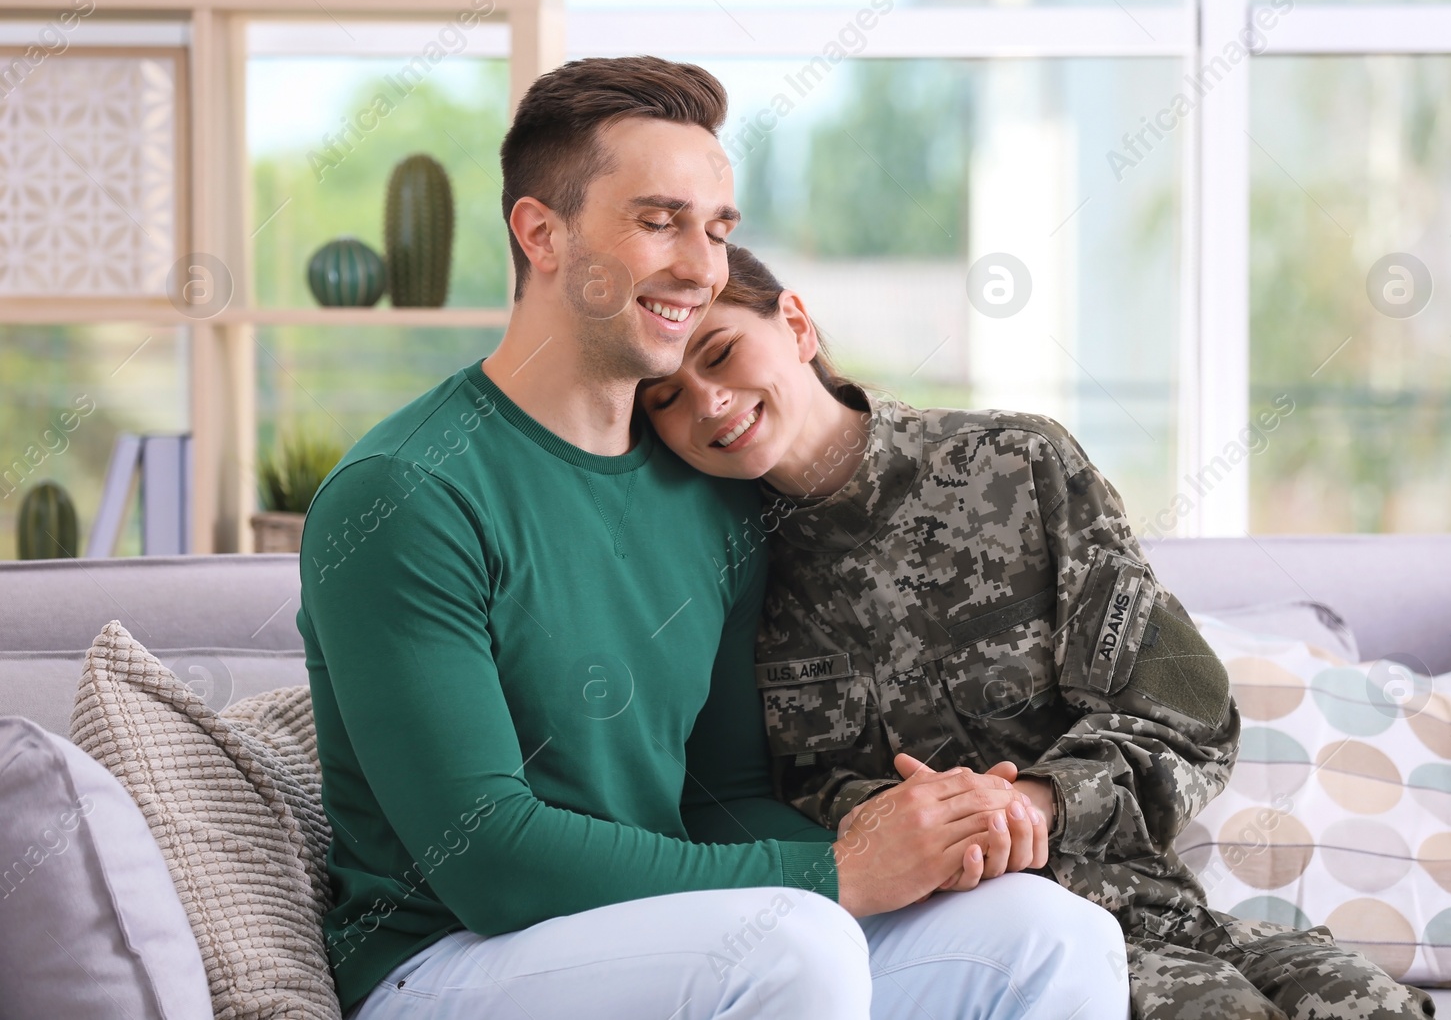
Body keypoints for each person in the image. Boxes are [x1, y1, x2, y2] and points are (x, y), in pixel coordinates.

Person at [299, 56, 1129, 1020]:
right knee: (793, 940)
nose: (702, 266)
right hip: (449, 961)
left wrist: (928, 836)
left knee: (1046, 929)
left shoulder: (707, 492)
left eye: (719, 228)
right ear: (542, 233)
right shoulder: (406, 493)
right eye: (659, 221)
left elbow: (718, 795)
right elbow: (486, 858)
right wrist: (838, 869)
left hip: (680, 939)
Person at [639, 244, 1439, 1020]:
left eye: (720, 352)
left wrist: (1037, 799)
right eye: (665, 397)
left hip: (1155, 909)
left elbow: (1188, 717)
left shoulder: (1018, 466)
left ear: (798, 326)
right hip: (951, 937)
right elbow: (762, 798)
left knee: (1366, 1000)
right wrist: (931, 824)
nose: (706, 401)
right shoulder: (724, 572)